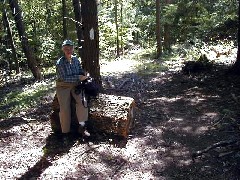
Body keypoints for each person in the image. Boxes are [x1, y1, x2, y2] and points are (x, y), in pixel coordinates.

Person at [56, 39, 90, 137]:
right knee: (64, 108)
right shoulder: (60, 63)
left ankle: (82, 127)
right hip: (63, 86)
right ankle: (65, 133)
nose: (68, 50)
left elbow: (79, 70)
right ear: (63, 49)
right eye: (66, 48)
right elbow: (64, 78)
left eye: (70, 48)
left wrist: (84, 74)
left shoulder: (75, 59)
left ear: (73, 49)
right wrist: (79, 77)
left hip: (75, 84)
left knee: (82, 101)